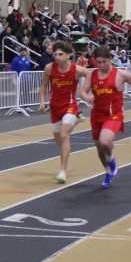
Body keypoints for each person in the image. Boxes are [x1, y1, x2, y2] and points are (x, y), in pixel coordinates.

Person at [81, 46, 131, 188]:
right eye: (98, 62)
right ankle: (108, 171)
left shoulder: (121, 74)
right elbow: (83, 91)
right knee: (99, 147)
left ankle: (111, 159)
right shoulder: (91, 74)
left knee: (104, 141)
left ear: (110, 60)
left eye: (104, 62)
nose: (101, 65)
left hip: (114, 115)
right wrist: (88, 98)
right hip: (97, 115)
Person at [39, 40, 85, 184]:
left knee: (64, 135)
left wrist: (87, 93)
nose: (57, 57)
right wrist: (42, 101)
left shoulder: (77, 70)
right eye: (55, 54)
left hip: (69, 106)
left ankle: (63, 171)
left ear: (68, 55)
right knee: (60, 140)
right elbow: (44, 85)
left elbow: (92, 76)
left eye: (60, 54)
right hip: (55, 107)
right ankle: (77, 119)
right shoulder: (49, 68)